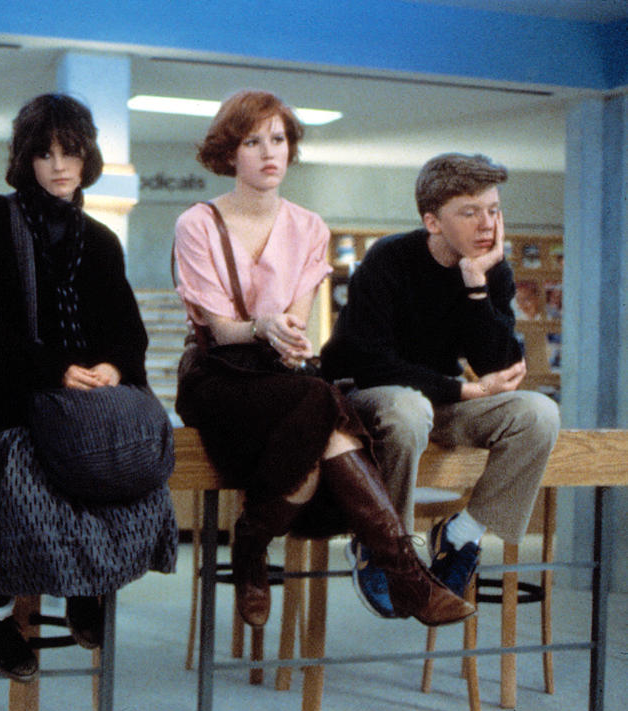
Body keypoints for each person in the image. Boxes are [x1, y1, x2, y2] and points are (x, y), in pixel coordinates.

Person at [172, 90, 474, 629]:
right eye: (253, 141)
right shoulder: (197, 223)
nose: (270, 152)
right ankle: (404, 575)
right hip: (216, 376)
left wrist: (284, 336)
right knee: (323, 407)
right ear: (229, 154)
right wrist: (264, 328)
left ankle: (255, 544)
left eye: (279, 139)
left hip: (280, 378)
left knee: (319, 429)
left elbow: (297, 321)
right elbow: (218, 331)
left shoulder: (309, 227)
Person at [0, 94, 177, 681]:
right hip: (10, 401)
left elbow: (128, 332)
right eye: (44, 152)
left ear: (86, 159)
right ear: (26, 159)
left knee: (129, 468)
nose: (57, 165)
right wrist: (52, 370)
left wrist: (114, 368)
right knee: (27, 473)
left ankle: (88, 587)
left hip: (83, 405)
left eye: (69, 152)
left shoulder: (101, 240)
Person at [321, 153, 559, 614]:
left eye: (493, 210)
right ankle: (384, 546)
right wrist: (465, 390)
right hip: (369, 398)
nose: (486, 223)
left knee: (538, 413)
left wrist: (476, 285)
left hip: (437, 402)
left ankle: (460, 536)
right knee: (410, 408)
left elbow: (501, 366)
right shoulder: (389, 258)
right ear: (433, 220)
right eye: (469, 212)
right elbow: (368, 361)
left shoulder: (492, 271)